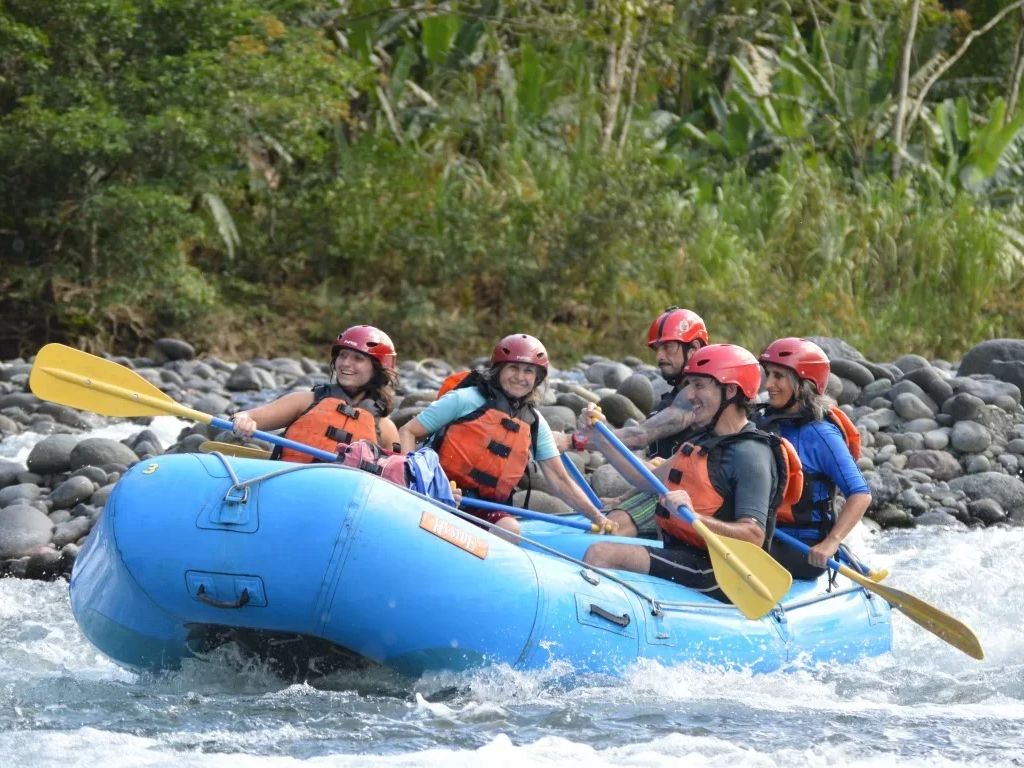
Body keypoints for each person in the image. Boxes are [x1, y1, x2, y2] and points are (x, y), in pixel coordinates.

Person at [581, 344, 785, 602]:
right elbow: (646, 480)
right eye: (690, 385)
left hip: (723, 572)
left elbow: (753, 536)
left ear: (731, 390)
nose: (689, 395)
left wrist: (695, 518)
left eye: (699, 385)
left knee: (602, 554)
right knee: (599, 541)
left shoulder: (751, 454)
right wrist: (601, 440)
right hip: (686, 553)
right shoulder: (703, 441)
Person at [399, 333, 613, 537]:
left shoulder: (534, 423)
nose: (520, 377)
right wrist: (414, 485)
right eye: (513, 368)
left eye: (529, 371)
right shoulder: (465, 399)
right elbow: (408, 431)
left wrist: (597, 517)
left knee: (510, 528)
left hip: (484, 508)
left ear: (538, 378)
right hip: (437, 493)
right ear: (499, 370)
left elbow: (560, 479)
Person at [572, 307, 709, 538]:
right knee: (596, 515)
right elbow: (658, 470)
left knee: (606, 530)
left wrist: (574, 441)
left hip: (686, 499)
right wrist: (622, 498)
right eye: (657, 349)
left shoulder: (696, 397)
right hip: (664, 490)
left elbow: (638, 437)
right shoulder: (674, 397)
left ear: (694, 349)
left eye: (667, 347)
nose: (659, 357)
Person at [755, 337, 872, 579]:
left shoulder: (821, 433)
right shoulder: (761, 422)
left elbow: (860, 494)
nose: (769, 384)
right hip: (762, 532)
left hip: (803, 548)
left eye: (778, 376)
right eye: (768, 374)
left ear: (804, 383)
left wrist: (831, 543)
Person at [230, 325, 401, 461]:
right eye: (343, 355)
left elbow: (397, 477)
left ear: (378, 369)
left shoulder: (385, 428)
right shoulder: (304, 401)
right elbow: (247, 416)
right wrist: (243, 421)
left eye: (358, 358)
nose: (346, 363)